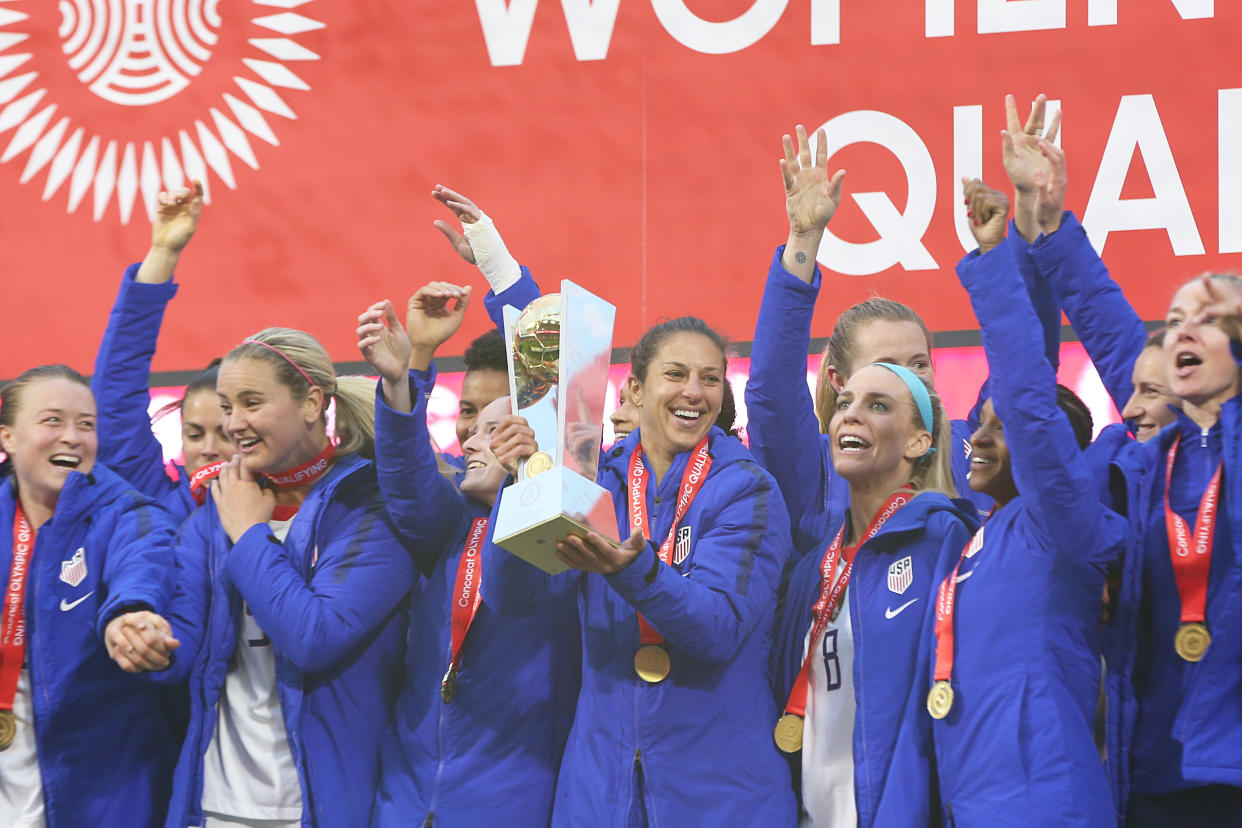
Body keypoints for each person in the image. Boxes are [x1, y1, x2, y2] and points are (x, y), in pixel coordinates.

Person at [483, 316, 796, 825]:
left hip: (722, 798)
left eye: (711, 378)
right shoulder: (592, 478)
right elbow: (512, 598)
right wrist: (520, 489)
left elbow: (719, 628)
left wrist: (636, 571)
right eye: (675, 374)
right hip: (599, 795)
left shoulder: (748, 490)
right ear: (634, 387)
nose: (693, 392)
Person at [126, 329, 415, 828]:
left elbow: (316, 637)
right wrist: (149, 640)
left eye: (251, 403)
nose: (232, 424)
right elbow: (185, 646)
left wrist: (249, 533)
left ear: (311, 404)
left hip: (323, 806)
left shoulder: (371, 504)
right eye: (226, 406)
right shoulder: (216, 510)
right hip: (214, 803)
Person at [745, 122, 1061, 554]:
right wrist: (803, 239)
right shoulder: (818, 467)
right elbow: (772, 392)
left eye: (919, 364)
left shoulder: (979, 446)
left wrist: (1027, 215)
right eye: (889, 367)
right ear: (839, 381)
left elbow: (1027, 366)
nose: (912, 379)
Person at [925, 178, 1127, 825]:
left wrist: (990, 270)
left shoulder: (1060, 519)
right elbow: (1021, 380)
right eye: (975, 420)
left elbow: (1028, 399)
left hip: (1046, 804)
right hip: (977, 802)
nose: (974, 438)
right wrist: (1011, 248)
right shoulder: (984, 534)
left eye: (996, 427)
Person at [357, 286, 580, 827]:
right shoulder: (447, 519)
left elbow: (552, 374)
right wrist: (403, 373)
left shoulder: (564, 537)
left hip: (510, 800)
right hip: (406, 801)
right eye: (469, 421)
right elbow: (408, 486)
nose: (468, 441)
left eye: (492, 426)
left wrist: (528, 476)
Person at [769, 352, 977, 827]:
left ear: (918, 441)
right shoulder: (815, 566)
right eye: (844, 402)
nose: (852, 413)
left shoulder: (943, 541)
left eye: (879, 405)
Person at [0, 364, 179, 827]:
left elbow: (144, 562)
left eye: (87, 424)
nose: (73, 437)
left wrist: (130, 615)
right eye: (53, 421)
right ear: (8, 438)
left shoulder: (127, 513)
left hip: (98, 788)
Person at [1100, 271, 1242, 825]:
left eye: (1209, 320)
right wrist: (1049, 230)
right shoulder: (1149, 464)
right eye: (1176, 320)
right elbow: (1109, 329)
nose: (1183, 332)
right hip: (1151, 774)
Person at [996, 97, 1178, 444]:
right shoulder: (1132, 461)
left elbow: (1113, 340)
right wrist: (1034, 209)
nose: (1129, 409)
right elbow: (1110, 337)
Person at [91, 180, 231, 523]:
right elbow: (115, 397)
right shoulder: (158, 502)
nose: (208, 449)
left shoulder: (302, 506)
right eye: (194, 434)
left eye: (228, 434)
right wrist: (163, 254)